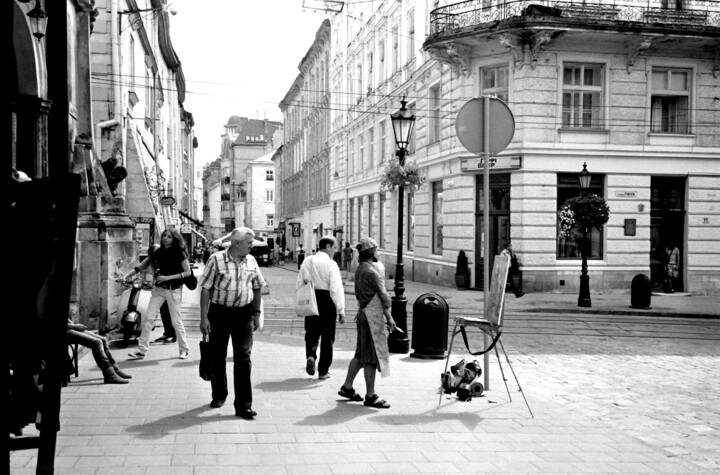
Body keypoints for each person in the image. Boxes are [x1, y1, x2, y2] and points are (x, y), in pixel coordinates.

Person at [199, 227, 266, 420]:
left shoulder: (251, 261)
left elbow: (258, 287)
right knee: (218, 356)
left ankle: (244, 405)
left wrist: (256, 313)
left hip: (244, 314)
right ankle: (219, 394)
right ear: (237, 243)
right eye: (249, 243)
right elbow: (205, 289)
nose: (251, 247)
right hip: (219, 313)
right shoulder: (216, 260)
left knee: (243, 358)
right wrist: (204, 318)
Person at [338, 237, 398, 409]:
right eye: (377, 250)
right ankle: (370, 396)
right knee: (370, 358)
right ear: (371, 252)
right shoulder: (373, 272)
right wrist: (389, 314)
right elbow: (384, 297)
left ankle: (347, 387)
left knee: (360, 354)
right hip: (372, 318)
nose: (378, 253)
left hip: (363, 313)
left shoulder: (360, 269)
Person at [124, 228, 191, 360]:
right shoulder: (158, 252)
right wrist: (127, 276)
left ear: (175, 239)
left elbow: (188, 272)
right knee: (149, 319)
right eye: (164, 236)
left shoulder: (178, 252)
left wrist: (168, 278)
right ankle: (141, 350)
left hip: (173, 290)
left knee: (176, 321)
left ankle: (184, 349)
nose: (165, 238)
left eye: (169, 236)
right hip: (159, 290)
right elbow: (142, 265)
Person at [296, 235, 346, 380]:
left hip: (312, 298)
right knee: (327, 336)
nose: (335, 251)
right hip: (327, 301)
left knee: (311, 332)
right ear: (328, 247)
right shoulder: (331, 264)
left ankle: (311, 356)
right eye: (335, 247)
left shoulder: (308, 261)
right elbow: (336, 289)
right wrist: (341, 310)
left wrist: (301, 303)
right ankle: (323, 370)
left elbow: (300, 282)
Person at [67, 318, 131, 384]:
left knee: (103, 339)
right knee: (97, 342)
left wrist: (72, 324)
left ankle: (115, 369)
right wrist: (73, 326)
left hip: (70, 328)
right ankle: (110, 375)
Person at [145, 244, 177, 344]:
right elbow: (143, 268)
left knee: (171, 312)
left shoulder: (168, 258)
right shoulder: (151, 260)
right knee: (164, 312)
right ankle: (167, 332)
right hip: (160, 289)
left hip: (171, 288)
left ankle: (174, 335)